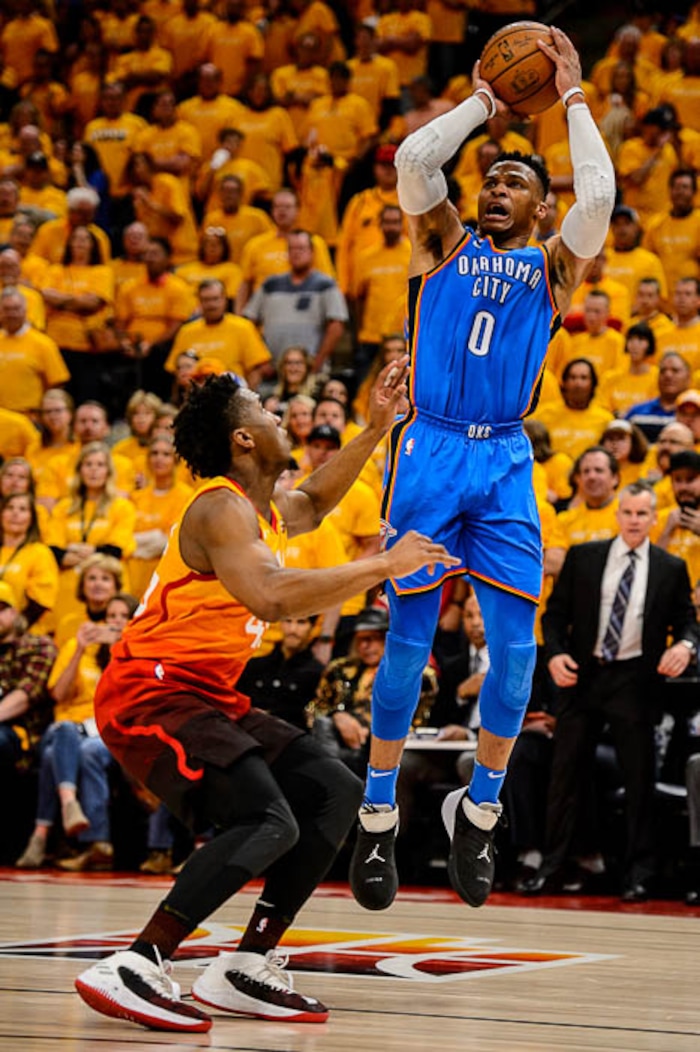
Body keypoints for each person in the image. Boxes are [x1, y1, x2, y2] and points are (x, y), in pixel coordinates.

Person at [74, 367, 457, 1032]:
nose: (281, 414)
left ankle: (245, 963)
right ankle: (138, 961)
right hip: (150, 692)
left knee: (334, 790)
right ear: (244, 440)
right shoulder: (219, 507)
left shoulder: (264, 510)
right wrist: (382, 565)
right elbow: (272, 598)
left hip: (208, 694)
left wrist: (375, 429)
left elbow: (312, 503)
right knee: (269, 818)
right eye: (266, 409)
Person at [346, 25, 617, 913]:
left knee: (514, 659)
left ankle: (484, 806)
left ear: (541, 210)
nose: (498, 189)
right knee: (408, 651)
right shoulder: (440, 245)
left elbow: (601, 192)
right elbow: (414, 159)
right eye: (492, 180)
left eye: (517, 183)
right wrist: (486, 104)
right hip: (427, 447)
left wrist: (571, 95)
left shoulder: (552, 267)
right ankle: (378, 815)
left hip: (501, 456)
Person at [524, 482, 699, 901]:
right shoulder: (585, 557)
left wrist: (686, 645)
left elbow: (689, 622)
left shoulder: (671, 567)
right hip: (583, 677)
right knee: (564, 775)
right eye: (628, 513)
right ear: (617, 515)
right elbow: (553, 615)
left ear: (655, 518)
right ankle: (552, 867)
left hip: (636, 681)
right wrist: (555, 655)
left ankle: (640, 872)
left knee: (641, 780)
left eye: (643, 514)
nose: (635, 520)